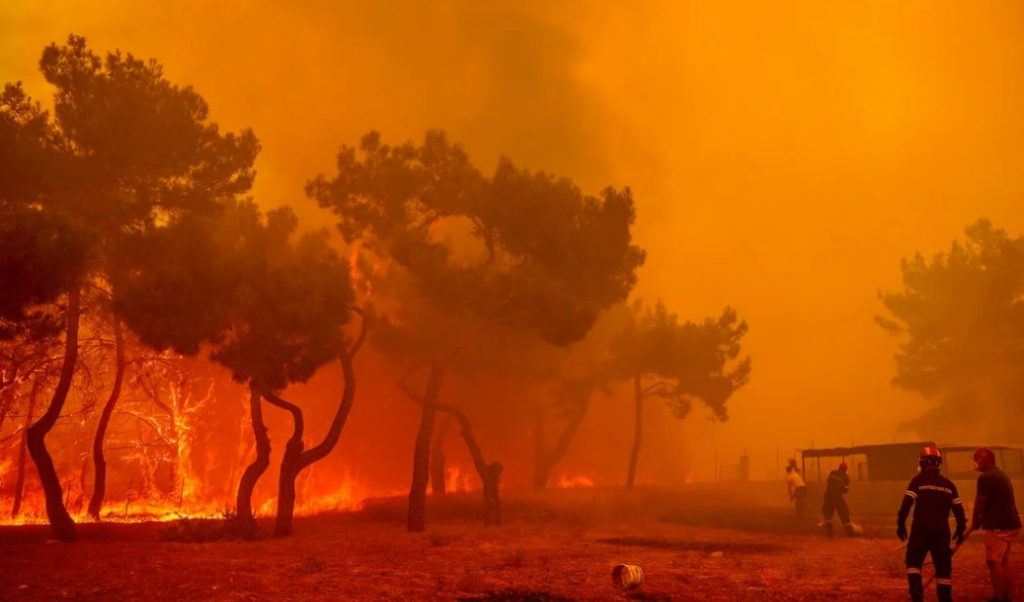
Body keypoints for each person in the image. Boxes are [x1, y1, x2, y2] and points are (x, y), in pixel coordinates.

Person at [897, 445, 966, 602]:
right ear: (938, 463)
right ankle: (945, 597)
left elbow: (906, 503)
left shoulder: (917, 481)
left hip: (920, 530)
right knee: (943, 567)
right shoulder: (949, 485)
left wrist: (900, 524)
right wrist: (960, 529)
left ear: (921, 463)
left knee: (913, 562)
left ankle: (917, 595)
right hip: (942, 532)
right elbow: (959, 510)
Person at [971, 447, 1022, 602]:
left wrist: (975, 521)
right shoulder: (1000, 474)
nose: (974, 463)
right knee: (1002, 561)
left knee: (994, 561)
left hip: (999, 526)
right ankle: (1006, 595)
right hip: (1011, 523)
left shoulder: (986, 477)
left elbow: (980, 502)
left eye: (975, 459)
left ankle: (1000, 598)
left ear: (982, 460)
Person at [822, 461, 855, 536]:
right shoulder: (846, 477)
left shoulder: (832, 472)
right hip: (838, 497)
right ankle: (850, 533)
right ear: (846, 470)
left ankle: (829, 534)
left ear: (839, 468)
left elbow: (829, 482)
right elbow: (845, 490)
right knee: (844, 513)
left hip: (828, 496)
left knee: (828, 514)